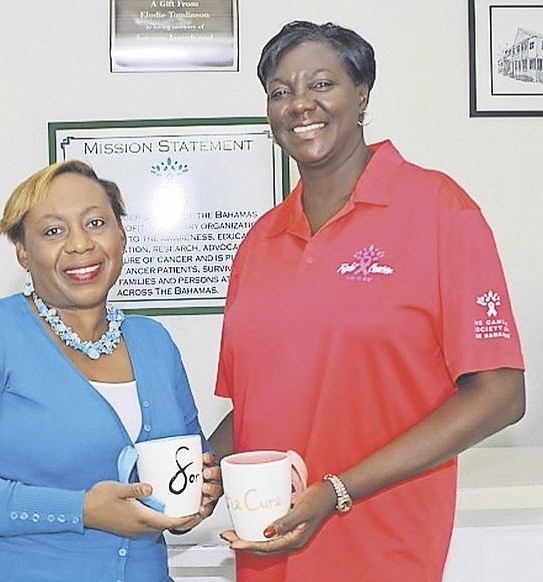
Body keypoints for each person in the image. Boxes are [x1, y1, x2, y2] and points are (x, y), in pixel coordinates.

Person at [209, 20, 525, 582]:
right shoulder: (259, 242)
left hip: (384, 551)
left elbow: (500, 394)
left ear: (362, 94)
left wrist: (337, 490)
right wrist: (199, 473)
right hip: (268, 554)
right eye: (280, 91)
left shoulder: (439, 210)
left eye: (321, 84)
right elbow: (253, 405)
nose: (300, 103)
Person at [0, 160, 221, 582]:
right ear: (23, 252)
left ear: (121, 235)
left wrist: (199, 496)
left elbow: (186, 461)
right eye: (53, 231)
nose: (79, 244)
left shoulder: (153, 342)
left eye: (96, 223)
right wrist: (82, 510)